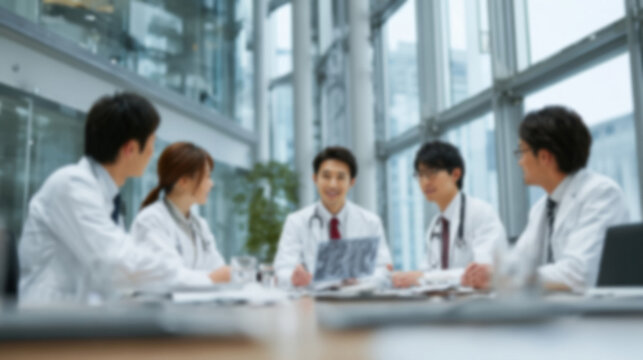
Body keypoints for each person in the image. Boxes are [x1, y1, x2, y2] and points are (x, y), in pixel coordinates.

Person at [19, 93, 225, 306]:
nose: (152, 153)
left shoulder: (106, 196)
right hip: (48, 325)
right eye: (152, 143)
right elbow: (119, 263)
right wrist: (206, 280)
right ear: (131, 149)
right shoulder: (72, 185)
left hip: (81, 319)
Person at [462, 106, 629, 293]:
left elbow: (578, 274)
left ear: (544, 157)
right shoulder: (542, 208)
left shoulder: (601, 194)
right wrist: (491, 272)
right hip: (551, 310)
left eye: (521, 152)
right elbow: (519, 262)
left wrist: (505, 275)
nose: (520, 162)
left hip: (593, 315)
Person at [391, 141, 507, 288]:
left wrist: (424, 277)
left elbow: (482, 271)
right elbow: (427, 271)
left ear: (455, 174)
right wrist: (407, 277)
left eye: (431, 173)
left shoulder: (480, 212)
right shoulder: (435, 225)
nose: (424, 182)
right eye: (420, 175)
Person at [273, 146, 392, 288]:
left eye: (341, 177)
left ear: (352, 182)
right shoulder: (296, 222)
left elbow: (384, 270)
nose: (332, 184)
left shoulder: (371, 222)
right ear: (315, 178)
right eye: (326, 176)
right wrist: (294, 278)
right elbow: (282, 270)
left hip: (357, 303)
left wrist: (360, 279)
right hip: (312, 304)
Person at [131, 142, 229, 280]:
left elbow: (218, 268)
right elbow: (168, 277)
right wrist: (213, 278)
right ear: (183, 181)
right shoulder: (151, 220)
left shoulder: (200, 225)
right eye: (206, 176)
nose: (211, 183)